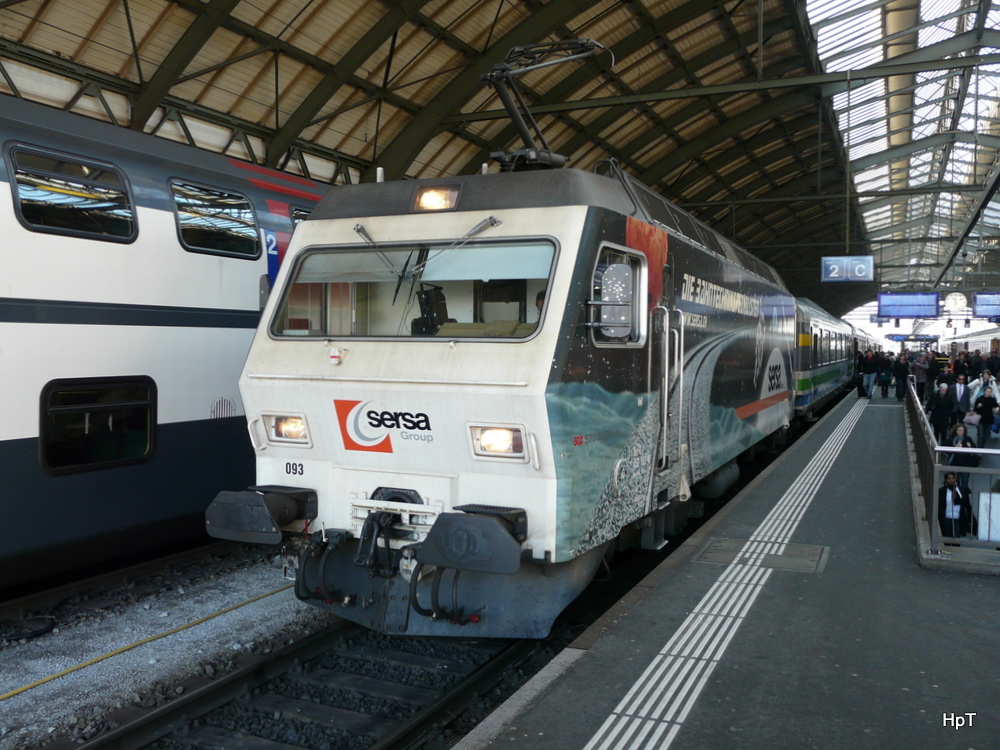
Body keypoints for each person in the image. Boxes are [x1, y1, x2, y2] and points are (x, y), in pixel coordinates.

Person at [938, 472, 973, 538]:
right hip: (946, 518)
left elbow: (967, 505)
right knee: (946, 537)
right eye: (949, 478)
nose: (951, 480)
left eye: (953, 478)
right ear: (946, 480)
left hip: (958, 518)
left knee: (956, 538)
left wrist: (971, 518)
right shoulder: (942, 491)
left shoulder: (962, 490)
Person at [949, 423, 978, 487]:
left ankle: (964, 495)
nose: (960, 432)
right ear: (956, 431)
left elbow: (974, 449)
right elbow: (946, 449)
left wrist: (970, 447)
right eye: (959, 430)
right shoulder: (952, 439)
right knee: (955, 482)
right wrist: (955, 447)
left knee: (965, 482)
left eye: (962, 430)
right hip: (955, 463)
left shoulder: (968, 439)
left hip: (966, 463)